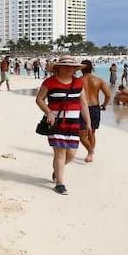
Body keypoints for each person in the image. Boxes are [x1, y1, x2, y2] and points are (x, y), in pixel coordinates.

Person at [35, 55, 91, 195]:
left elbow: (83, 103)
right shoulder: (49, 82)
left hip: (73, 123)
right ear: (58, 68)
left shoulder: (79, 83)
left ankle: (57, 171)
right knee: (60, 152)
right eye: (66, 67)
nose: (69, 69)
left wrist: (88, 122)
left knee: (71, 154)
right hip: (56, 122)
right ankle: (60, 183)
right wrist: (49, 112)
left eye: (72, 67)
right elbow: (39, 99)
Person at [78, 60, 112, 163]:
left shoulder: (77, 81)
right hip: (95, 107)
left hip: (82, 108)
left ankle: (90, 151)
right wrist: (104, 105)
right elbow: (108, 95)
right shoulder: (98, 80)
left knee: (82, 135)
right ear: (92, 68)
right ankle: (90, 152)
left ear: (81, 68)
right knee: (92, 132)